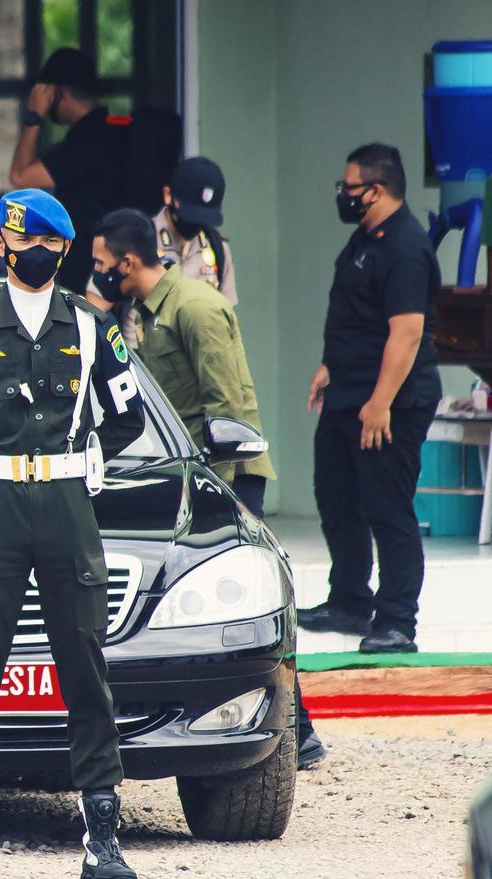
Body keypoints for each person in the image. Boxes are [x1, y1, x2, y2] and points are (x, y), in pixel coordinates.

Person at [0, 188, 144, 879]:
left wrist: (86, 453)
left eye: (44, 245)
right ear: (0, 247)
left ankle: (102, 838)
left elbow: (127, 414)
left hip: (69, 502)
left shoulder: (93, 326)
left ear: (64, 250)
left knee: (85, 666)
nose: (31, 254)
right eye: (20, 243)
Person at [91, 207, 326, 769]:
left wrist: (211, 495)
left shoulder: (196, 307)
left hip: (225, 475)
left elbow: (228, 407)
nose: (96, 272)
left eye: (101, 263)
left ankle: (296, 732)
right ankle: (304, 732)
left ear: (127, 261)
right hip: (187, 469)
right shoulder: (142, 309)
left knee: (252, 606)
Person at [299, 144, 441, 654]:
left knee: (387, 507)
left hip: (390, 403)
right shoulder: (365, 239)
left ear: (376, 190)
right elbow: (356, 314)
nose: (343, 195)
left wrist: (379, 403)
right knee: (336, 496)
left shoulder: (405, 246)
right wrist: (329, 365)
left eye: (349, 187)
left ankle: (397, 620)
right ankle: (350, 600)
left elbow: (405, 333)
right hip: (348, 392)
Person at [7, 48, 124, 293]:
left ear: (58, 93)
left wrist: (34, 115)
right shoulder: (110, 132)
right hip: (112, 260)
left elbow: (20, 176)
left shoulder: (88, 139)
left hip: (89, 266)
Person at [90, 156, 238, 346]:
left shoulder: (217, 248)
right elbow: (95, 306)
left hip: (196, 358)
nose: (195, 224)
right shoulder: (136, 238)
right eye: (191, 214)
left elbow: (226, 316)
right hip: (142, 358)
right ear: (168, 195)